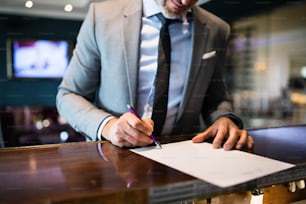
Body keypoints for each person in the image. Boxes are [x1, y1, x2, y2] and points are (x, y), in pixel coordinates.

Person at [56, 0, 253, 150]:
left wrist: (224, 119)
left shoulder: (217, 29)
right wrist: (108, 126)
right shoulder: (101, 17)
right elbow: (69, 94)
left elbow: (216, 98)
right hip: (115, 157)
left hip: (184, 159)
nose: (184, 2)